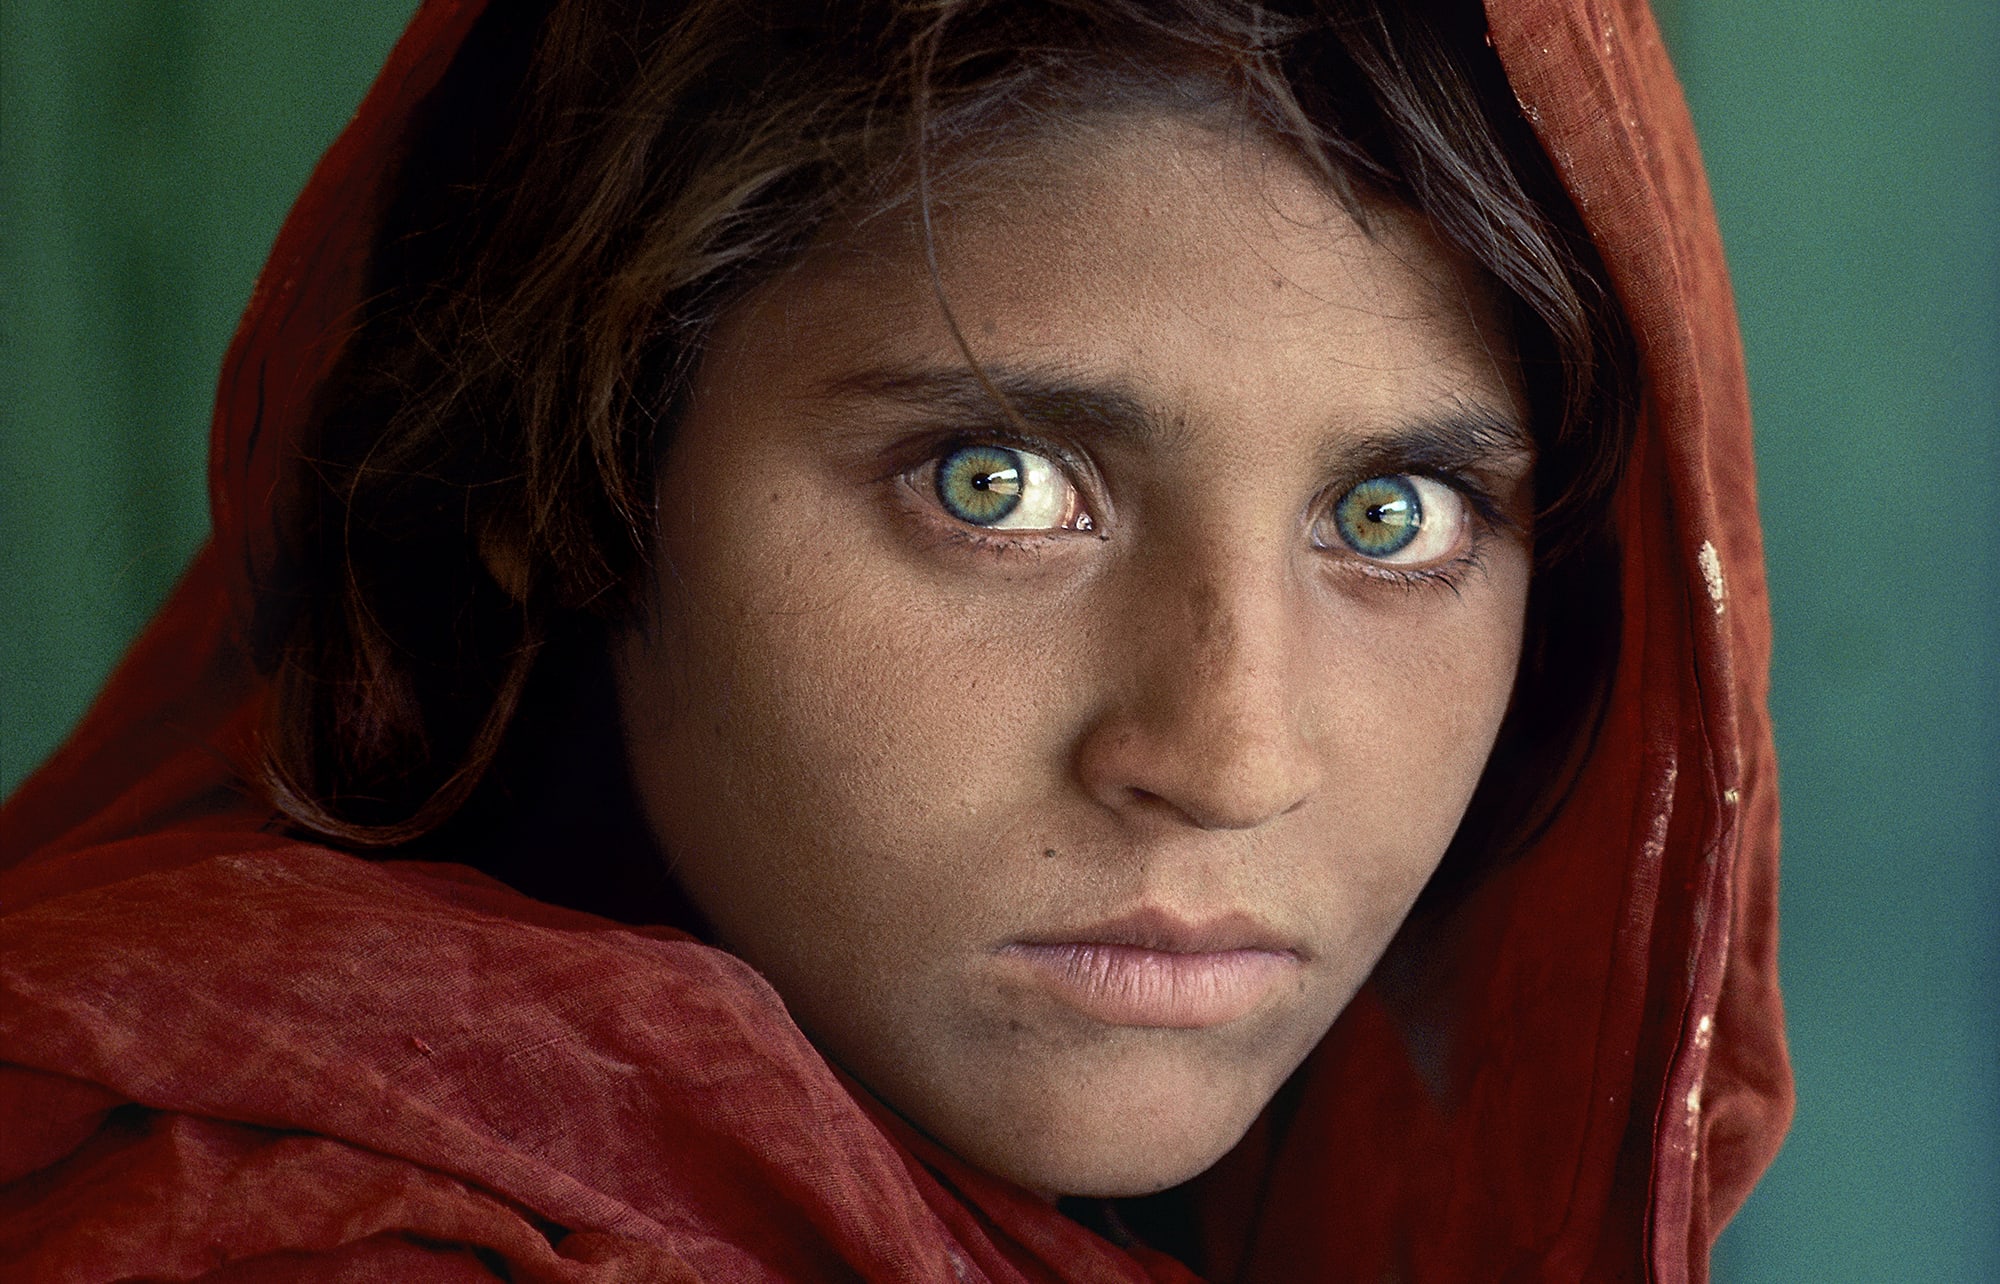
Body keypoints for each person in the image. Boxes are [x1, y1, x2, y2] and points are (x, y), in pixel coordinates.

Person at [0, 0, 1791, 1278]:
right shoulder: (282, 1233)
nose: (1233, 754)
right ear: (555, 479)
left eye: (1392, 516)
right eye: (997, 485)